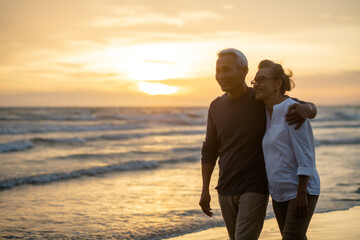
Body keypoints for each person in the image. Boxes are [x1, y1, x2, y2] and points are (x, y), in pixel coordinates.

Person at [199, 48, 317, 240]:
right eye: (218, 70)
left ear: (244, 71)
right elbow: (210, 149)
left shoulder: (260, 98)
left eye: (226, 70)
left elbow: (300, 106)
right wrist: (205, 189)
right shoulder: (216, 106)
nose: (221, 75)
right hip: (226, 187)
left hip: (256, 187)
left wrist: (308, 108)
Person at [253, 60, 320, 240]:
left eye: (261, 79)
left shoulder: (292, 110)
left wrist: (301, 193)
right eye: (254, 81)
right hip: (279, 193)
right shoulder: (266, 112)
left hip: (299, 191)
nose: (256, 84)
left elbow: (305, 155)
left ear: (277, 83)